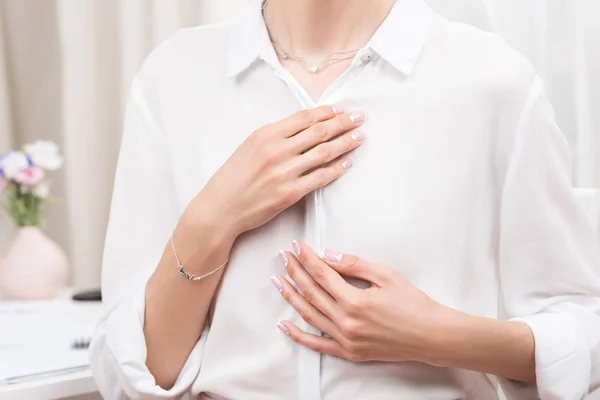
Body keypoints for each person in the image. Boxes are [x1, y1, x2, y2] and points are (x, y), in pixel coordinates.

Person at [89, 0, 600, 398]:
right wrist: (211, 219)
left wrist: (435, 335)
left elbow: (581, 333)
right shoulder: (174, 78)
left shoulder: (492, 82)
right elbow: (133, 376)